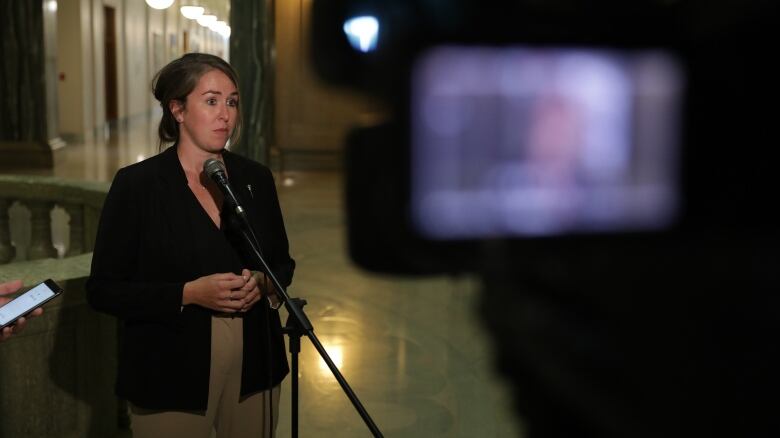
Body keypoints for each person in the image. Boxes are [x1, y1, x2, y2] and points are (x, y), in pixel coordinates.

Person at [86, 53, 295, 438]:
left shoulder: (255, 178)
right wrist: (189, 293)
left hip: (256, 365)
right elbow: (103, 290)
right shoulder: (138, 185)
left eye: (231, 102)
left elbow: (282, 264)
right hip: (171, 370)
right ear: (178, 109)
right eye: (211, 101)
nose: (225, 115)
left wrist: (264, 284)